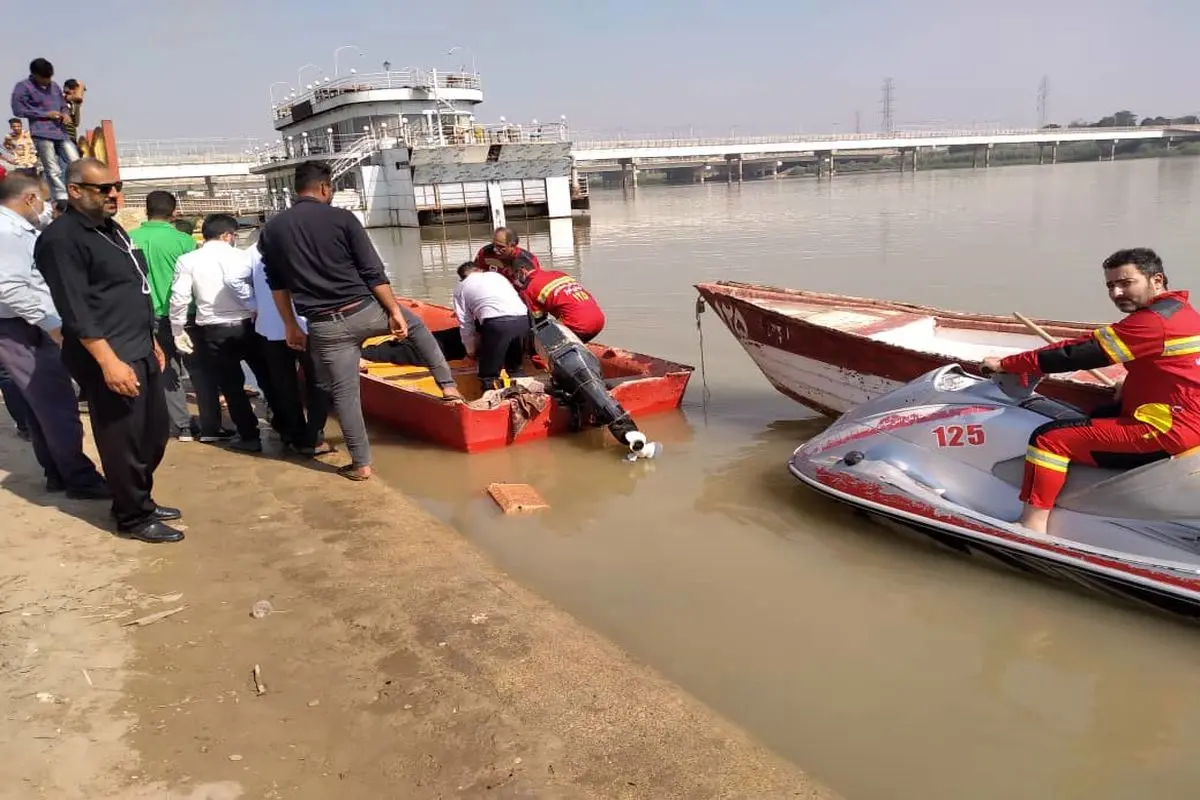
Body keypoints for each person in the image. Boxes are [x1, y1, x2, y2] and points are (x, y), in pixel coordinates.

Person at [258, 160, 462, 481]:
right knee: (418, 327)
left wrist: (290, 325)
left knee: (345, 395)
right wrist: (394, 311)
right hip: (364, 310)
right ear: (325, 188)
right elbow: (372, 271)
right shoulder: (342, 218)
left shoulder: (272, 230)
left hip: (323, 325)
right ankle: (448, 386)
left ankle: (361, 463)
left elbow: (277, 284)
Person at [982, 248, 1200, 536]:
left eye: (1126, 283)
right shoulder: (1183, 313)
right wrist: (1130, 383)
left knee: (1049, 438)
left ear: (1156, 280)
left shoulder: (1151, 322)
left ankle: (1031, 524)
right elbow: (1176, 367)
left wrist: (1006, 363)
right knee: (1098, 415)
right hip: (1184, 418)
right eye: (1111, 285)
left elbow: (1079, 353)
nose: (1117, 292)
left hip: (1167, 430)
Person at [34, 158, 182, 543]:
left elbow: (131, 289)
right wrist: (108, 362)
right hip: (109, 355)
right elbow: (76, 309)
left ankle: (137, 499)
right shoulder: (62, 239)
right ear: (76, 191)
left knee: (154, 433)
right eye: (103, 188)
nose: (114, 194)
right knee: (123, 439)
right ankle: (132, 517)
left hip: (139, 346)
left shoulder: (110, 229)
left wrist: (151, 340)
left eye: (116, 186)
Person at [0, 172, 109, 496]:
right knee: (58, 405)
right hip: (25, 327)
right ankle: (80, 478)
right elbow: (9, 287)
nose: (47, 208)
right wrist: (51, 324)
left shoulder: (18, 229)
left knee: (41, 405)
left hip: (24, 325)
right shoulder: (8, 231)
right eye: (44, 200)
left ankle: (58, 472)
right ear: (29, 199)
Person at [225, 240, 332, 456]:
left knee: (284, 383)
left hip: (271, 327)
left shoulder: (255, 249)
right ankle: (314, 435)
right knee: (319, 381)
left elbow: (232, 278)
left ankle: (293, 433)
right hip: (307, 325)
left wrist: (255, 304)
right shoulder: (307, 243)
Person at [169, 214, 261, 452]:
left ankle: (250, 437)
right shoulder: (243, 257)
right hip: (249, 325)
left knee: (232, 386)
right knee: (267, 379)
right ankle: (286, 428)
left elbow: (179, 298)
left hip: (214, 329)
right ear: (227, 235)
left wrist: (177, 329)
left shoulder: (188, 260)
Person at [128, 190, 199, 441]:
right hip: (186, 314)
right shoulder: (184, 241)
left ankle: (182, 426)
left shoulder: (128, 239)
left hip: (147, 315)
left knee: (166, 369)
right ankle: (211, 423)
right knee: (199, 369)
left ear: (146, 210)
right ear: (174, 212)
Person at [453, 261, 531, 390]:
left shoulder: (461, 287)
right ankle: (524, 395)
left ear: (462, 278)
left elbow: (465, 323)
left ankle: (491, 400)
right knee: (515, 368)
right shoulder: (497, 276)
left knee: (488, 374)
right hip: (522, 319)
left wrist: (471, 350)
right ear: (479, 270)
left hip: (496, 324)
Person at [10, 58, 78, 201]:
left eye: (49, 77)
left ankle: (80, 191)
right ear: (34, 75)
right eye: (44, 78)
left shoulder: (54, 86)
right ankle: (61, 198)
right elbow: (18, 110)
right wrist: (44, 114)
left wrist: (65, 113)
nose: (47, 81)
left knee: (76, 161)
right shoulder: (23, 87)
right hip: (42, 133)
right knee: (53, 169)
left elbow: (63, 105)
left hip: (61, 132)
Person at [511, 252, 606, 342]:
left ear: (522, 270)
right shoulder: (558, 274)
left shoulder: (528, 288)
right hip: (599, 320)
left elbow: (538, 322)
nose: (516, 279)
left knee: (536, 343)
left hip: (578, 325)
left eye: (515, 274)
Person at [474, 226, 541, 282]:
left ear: (513, 245)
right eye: (494, 245)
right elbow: (475, 273)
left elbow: (535, 285)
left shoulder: (528, 260)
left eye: (501, 247)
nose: (495, 249)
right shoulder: (485, 252)